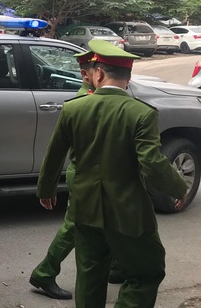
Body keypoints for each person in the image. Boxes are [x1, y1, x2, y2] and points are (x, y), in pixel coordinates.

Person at [37, 39, 188, 308]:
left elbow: (54, 155)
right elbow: (152, 164)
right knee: (146, 273)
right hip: (127, 211)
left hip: (85, 207)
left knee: (90, 276)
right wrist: (178, 187)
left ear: (98, 74)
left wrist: (46, 190)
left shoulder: (74, 108)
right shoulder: (141, 113)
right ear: (128, 79)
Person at [29, 50, 95, 300]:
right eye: (99, 71)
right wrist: (46, 189)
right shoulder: (82, 104)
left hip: (91, 176)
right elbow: (56, 152)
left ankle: (116, 267)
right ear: (86, 74)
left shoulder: (94, 99)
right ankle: (44, 273)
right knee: (73, 227)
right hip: (84, 175)